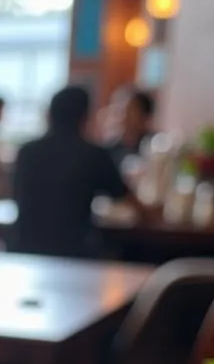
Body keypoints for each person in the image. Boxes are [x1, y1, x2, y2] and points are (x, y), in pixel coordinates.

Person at [12, 85, 137, 259]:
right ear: (85, 117)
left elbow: (13, 194)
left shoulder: (26, 152)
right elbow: (123, 196)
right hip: (74, 254)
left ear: (49, 114)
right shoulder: (93, 154)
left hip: (23, 250)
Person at [106, 89, 156, 168]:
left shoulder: (154, 147)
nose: (123, 116)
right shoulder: (110, 149)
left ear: (144, 116)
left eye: (129, 111)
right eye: (120, 110)